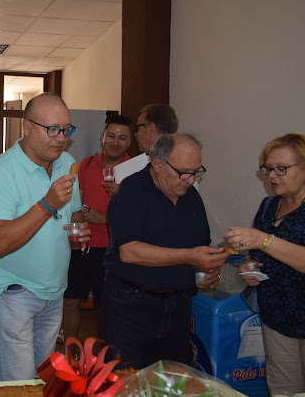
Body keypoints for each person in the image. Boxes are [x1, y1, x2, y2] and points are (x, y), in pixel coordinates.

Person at [0, 92, 90, 381]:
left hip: (54, 289)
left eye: (66, 129)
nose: (61, 138)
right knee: (17, 382)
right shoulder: (2, 171)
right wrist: (46, 205)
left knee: (43, 377)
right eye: (52, 129)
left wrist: (80, 230)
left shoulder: (67, 162)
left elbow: (75, 214)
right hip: (15, 290)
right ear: (27, 127)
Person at [102, 133, 228, 369]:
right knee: (125, 377)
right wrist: (189, 257)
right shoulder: (131, 191)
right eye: (183, 172)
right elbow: (129, 251)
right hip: (132, 305)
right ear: (158, 163)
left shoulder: (191, 197)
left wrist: (209, 267)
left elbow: (200, 244)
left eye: (196, 172)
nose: (190, 180)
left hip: (178, 307)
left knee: (171, 377)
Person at [223, 133, 305, 395]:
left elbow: (265, 243)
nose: (272, 176)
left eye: (282, 168)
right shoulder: (269, 205)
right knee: (283, 390)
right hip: (276, 316)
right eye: (268, 169)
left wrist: (264, 240)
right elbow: (256, 255)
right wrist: (249, 267)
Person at [62, 115, 132, 342]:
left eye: (122, 138)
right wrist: (80, 214)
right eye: (111, 136)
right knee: (70, 300)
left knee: (108, 305)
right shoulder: (87, 164)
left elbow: (140, 216)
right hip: (81, 245)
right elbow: (77, 200)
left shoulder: (136, 171)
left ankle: (107, 355)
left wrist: (105, 218)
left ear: (130, 142)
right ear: (102, 137)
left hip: (111, 249)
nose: (115, 142)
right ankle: (71, 351)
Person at [113, 104, 178, 185]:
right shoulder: (183, 162)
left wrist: (125, 190)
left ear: (151, 129)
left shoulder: (172, 167)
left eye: (137, 128)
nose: (135, 134)